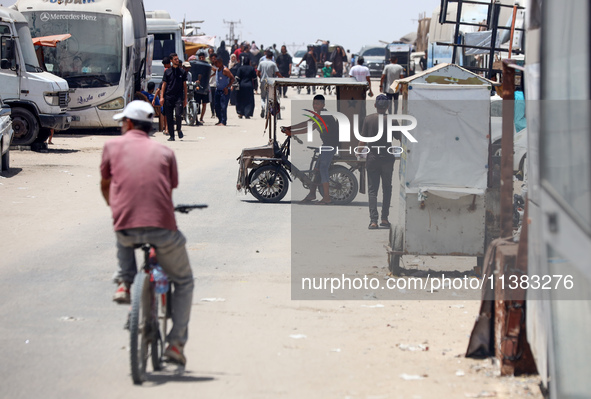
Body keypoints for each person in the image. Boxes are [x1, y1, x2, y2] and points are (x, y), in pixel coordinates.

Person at [100, 100, 194, 365]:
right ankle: (175, 345)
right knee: (184, 281)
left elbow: (106, 184)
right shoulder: (165, 151)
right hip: (162, 227)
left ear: (128, 123)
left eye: (122, 122)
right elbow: (169, 186)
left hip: (126, 225)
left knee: (123, 233)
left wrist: (117, 209)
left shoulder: (110, 147)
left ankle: (124, 283)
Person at [281, 95, 338, 205]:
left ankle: (327, 198)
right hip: (326, 145)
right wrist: (290, 127)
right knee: (316, 169)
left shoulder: (325, 116)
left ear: (323, 105)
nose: (315, 105)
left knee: (323, 168)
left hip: (330, 146)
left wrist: (292, 132)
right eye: (314, 103)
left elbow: (310, 128)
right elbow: (307, 122)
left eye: (317, 104)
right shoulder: (319, 114)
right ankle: (312, 194)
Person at [358, 94, 400, 229]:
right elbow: (401, 138)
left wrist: (358, 154)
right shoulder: (392, 121)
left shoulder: (368, 119)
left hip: (373, 159)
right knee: (387, 188)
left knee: (372, 190)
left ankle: (373, 221)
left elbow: (362, 141)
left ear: (375, 105)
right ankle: (385, 219)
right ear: (387, 106)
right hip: (387, 160)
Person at [160, 53, 187, 141]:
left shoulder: (182, 72)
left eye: (177, 59)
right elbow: (164, 85)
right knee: (169, 117)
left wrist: (185, 98)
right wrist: (161, 97)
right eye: (175, 59)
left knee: (178, 114)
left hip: (178, 97)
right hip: (168, 96)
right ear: (171, 61)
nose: (177, 60)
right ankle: (172, 135)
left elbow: (185, 86)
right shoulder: (167, 72)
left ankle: (178, 129)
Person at [257, 50, 282, 118]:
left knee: (262, 97)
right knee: (269, 98)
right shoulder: (273, 64)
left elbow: (258, 72)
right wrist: (282, 78)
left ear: (266, 56)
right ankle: (267, 113)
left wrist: (261, 78)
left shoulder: (261, 63)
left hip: (263, 81)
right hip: (270, 82)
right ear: (272, 57)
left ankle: (263, 107)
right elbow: (277, 73)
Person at [213, 55, 235, 126]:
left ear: (220, 62)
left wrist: (227, 87)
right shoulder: (217, 69)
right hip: (218, 90)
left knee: (223, 106)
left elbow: (232, 79)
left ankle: (223, 121)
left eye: (217, 63)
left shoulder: (225, 70)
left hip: (224, 91)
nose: (215, 64)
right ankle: (219, 120)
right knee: (217, 106)